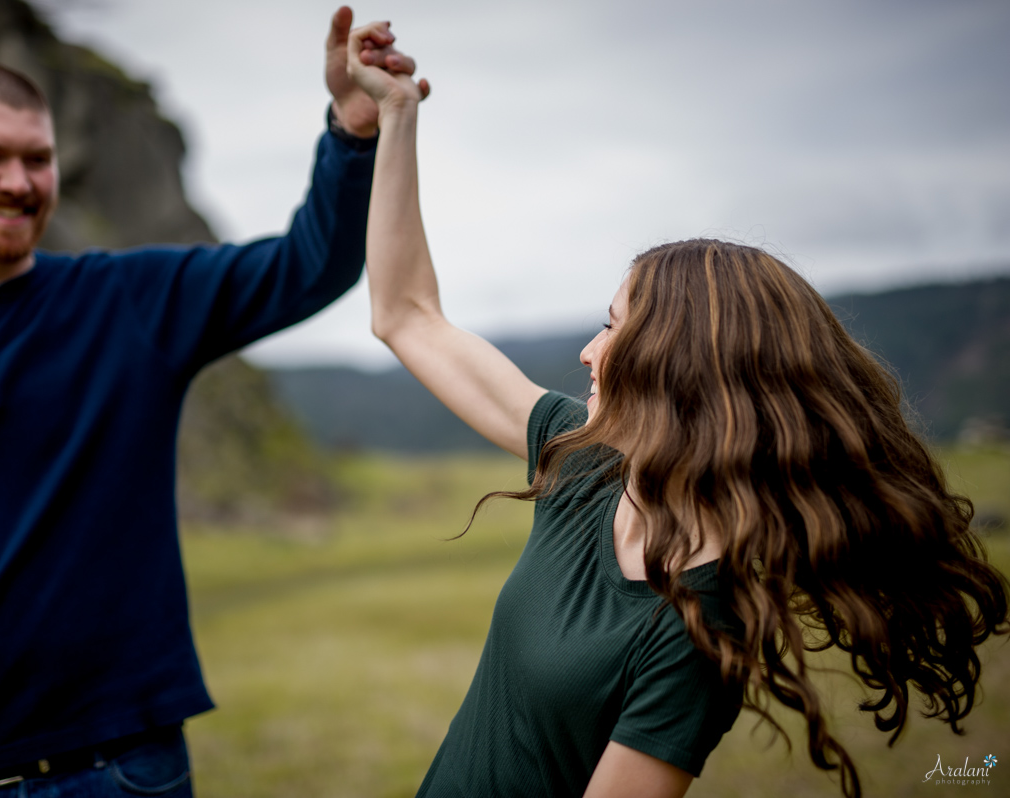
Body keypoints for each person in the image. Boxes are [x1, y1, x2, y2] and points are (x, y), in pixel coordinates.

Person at [343, 22, 1010, 798]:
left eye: (613, 326)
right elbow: (404, 314)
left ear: (680, 366)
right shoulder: (579, 460)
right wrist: (396, 116)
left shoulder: (698, 629)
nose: (589, 353)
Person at [0, 8, 421, 798]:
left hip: (130, 772)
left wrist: (351, 128)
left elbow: (307, 266)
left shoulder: (130, 299)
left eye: (38, 158)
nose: (19, 182)